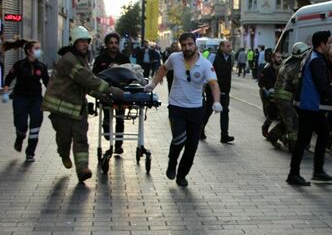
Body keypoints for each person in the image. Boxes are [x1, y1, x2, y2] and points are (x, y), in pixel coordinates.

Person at [42, 26, 124, 182]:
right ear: (74, 43)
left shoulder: (82, 59)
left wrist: (102, 96)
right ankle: (64, 154)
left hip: (78, 108)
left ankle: (82, 169)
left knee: (81, 139)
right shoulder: (69, 60)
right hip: (62, 109)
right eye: (82, 42)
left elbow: (85, 86)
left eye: (87, 41)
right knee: (64, 139)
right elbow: (87, 79)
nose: (86, 45)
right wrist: (110, 90)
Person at [146, 32, 222, 187]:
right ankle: (172, 162)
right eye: (184, 45)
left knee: (192, 146)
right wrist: (153, 84)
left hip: (196, 109)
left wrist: (217, 102)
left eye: (190, 44)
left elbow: (214, 84)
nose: (187, 48)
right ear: (181, 45)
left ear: (195, 44)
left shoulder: (205, 64)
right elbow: (163, 69)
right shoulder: (175, 58)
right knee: (179, 138)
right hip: (176, 107)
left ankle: (182, 175)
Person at [287, 31, 332, 186]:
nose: (330, 46)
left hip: (311, 106)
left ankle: (318, 171)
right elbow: (322, 85)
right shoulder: (316, 61)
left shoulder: (313, 56)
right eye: (328, 43)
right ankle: (293, 174)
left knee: (324, 134)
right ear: (322, 44)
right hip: (309, 106)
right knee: (303, 140)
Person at [2, 40, 49, 162]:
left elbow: (48, 83)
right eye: (37, 48)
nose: (40, 50)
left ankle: (30, 153)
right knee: (21, 125)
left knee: (35, 126)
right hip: (20, 98)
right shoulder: (19, 65)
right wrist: (5, 92)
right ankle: (20, 137)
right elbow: (9, 78)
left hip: (36, 100)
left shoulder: (42, 67)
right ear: (29, 51)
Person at [92, 33, 130, 154]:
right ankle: (106, 129)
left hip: (120, 93)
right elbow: (94, 76)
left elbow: (130, 75)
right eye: (111, 43)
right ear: (107, 44)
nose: (114, 45)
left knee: (120, 119)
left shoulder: (124, 59)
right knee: (107, 115)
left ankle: (118, 145)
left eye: (116, 43)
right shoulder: (100, 59)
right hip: (106, 93)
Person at [270, 42, 310, 152]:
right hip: (285, 97)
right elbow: (296, 84)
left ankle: (272, 136)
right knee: (293, 123)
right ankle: (294, 146)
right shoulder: (296, 66)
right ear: (302, 55)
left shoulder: (287, 62)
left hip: (280, 96)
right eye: (306, 54)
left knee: (286, 120)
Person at [202, 40, 235, 143]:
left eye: (230, 46)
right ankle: (200, 130)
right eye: (228, 46)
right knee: (209, 110)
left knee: (225, 112)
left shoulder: (230, 57)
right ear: (221, 47)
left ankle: (224, 135)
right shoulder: (213, 56)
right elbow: (206, 70)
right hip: (212, 89)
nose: (230, 48)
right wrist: (203, 85)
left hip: (225, 89)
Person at [258, 50, 283, 143]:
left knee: (281, 115)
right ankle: (265, 128)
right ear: (273, 59)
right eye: (278, 57)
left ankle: (279, 135)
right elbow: (260, 83)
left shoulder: (282, 69)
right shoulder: (267, 70)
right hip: (269, 96)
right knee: (272, 114)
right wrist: (266, 92)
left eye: (281, 57)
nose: (280, 59)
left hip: (280, 95)